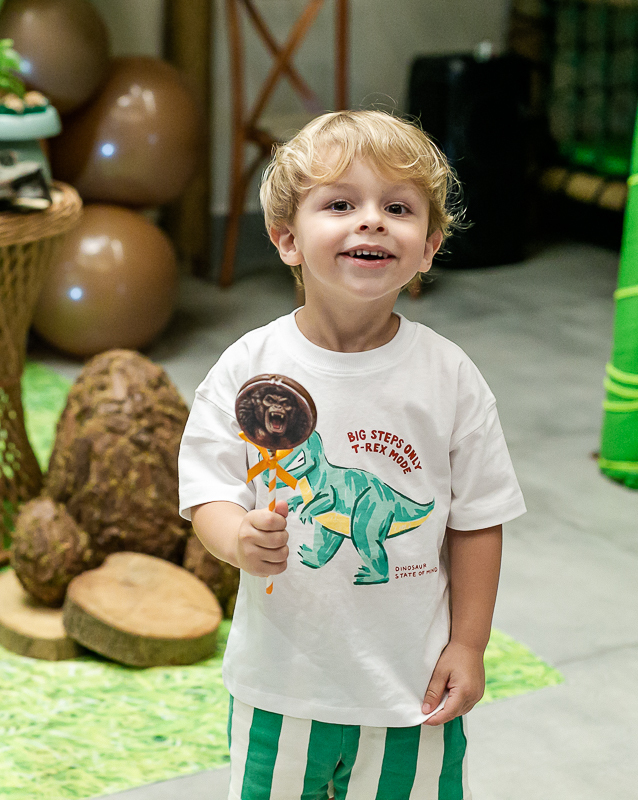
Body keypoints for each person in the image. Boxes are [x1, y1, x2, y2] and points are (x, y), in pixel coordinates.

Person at [177, 110, 526, 799]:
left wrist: (470, 644)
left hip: (411, 688)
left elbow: (479, 517)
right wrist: (238, 536)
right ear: (287, 240)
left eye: (396, 208)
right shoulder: (249, 366)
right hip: (283, 683)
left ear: (427, 247)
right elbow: (207, 490)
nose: (370, 221)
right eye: (340, 204)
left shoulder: (449, 376)